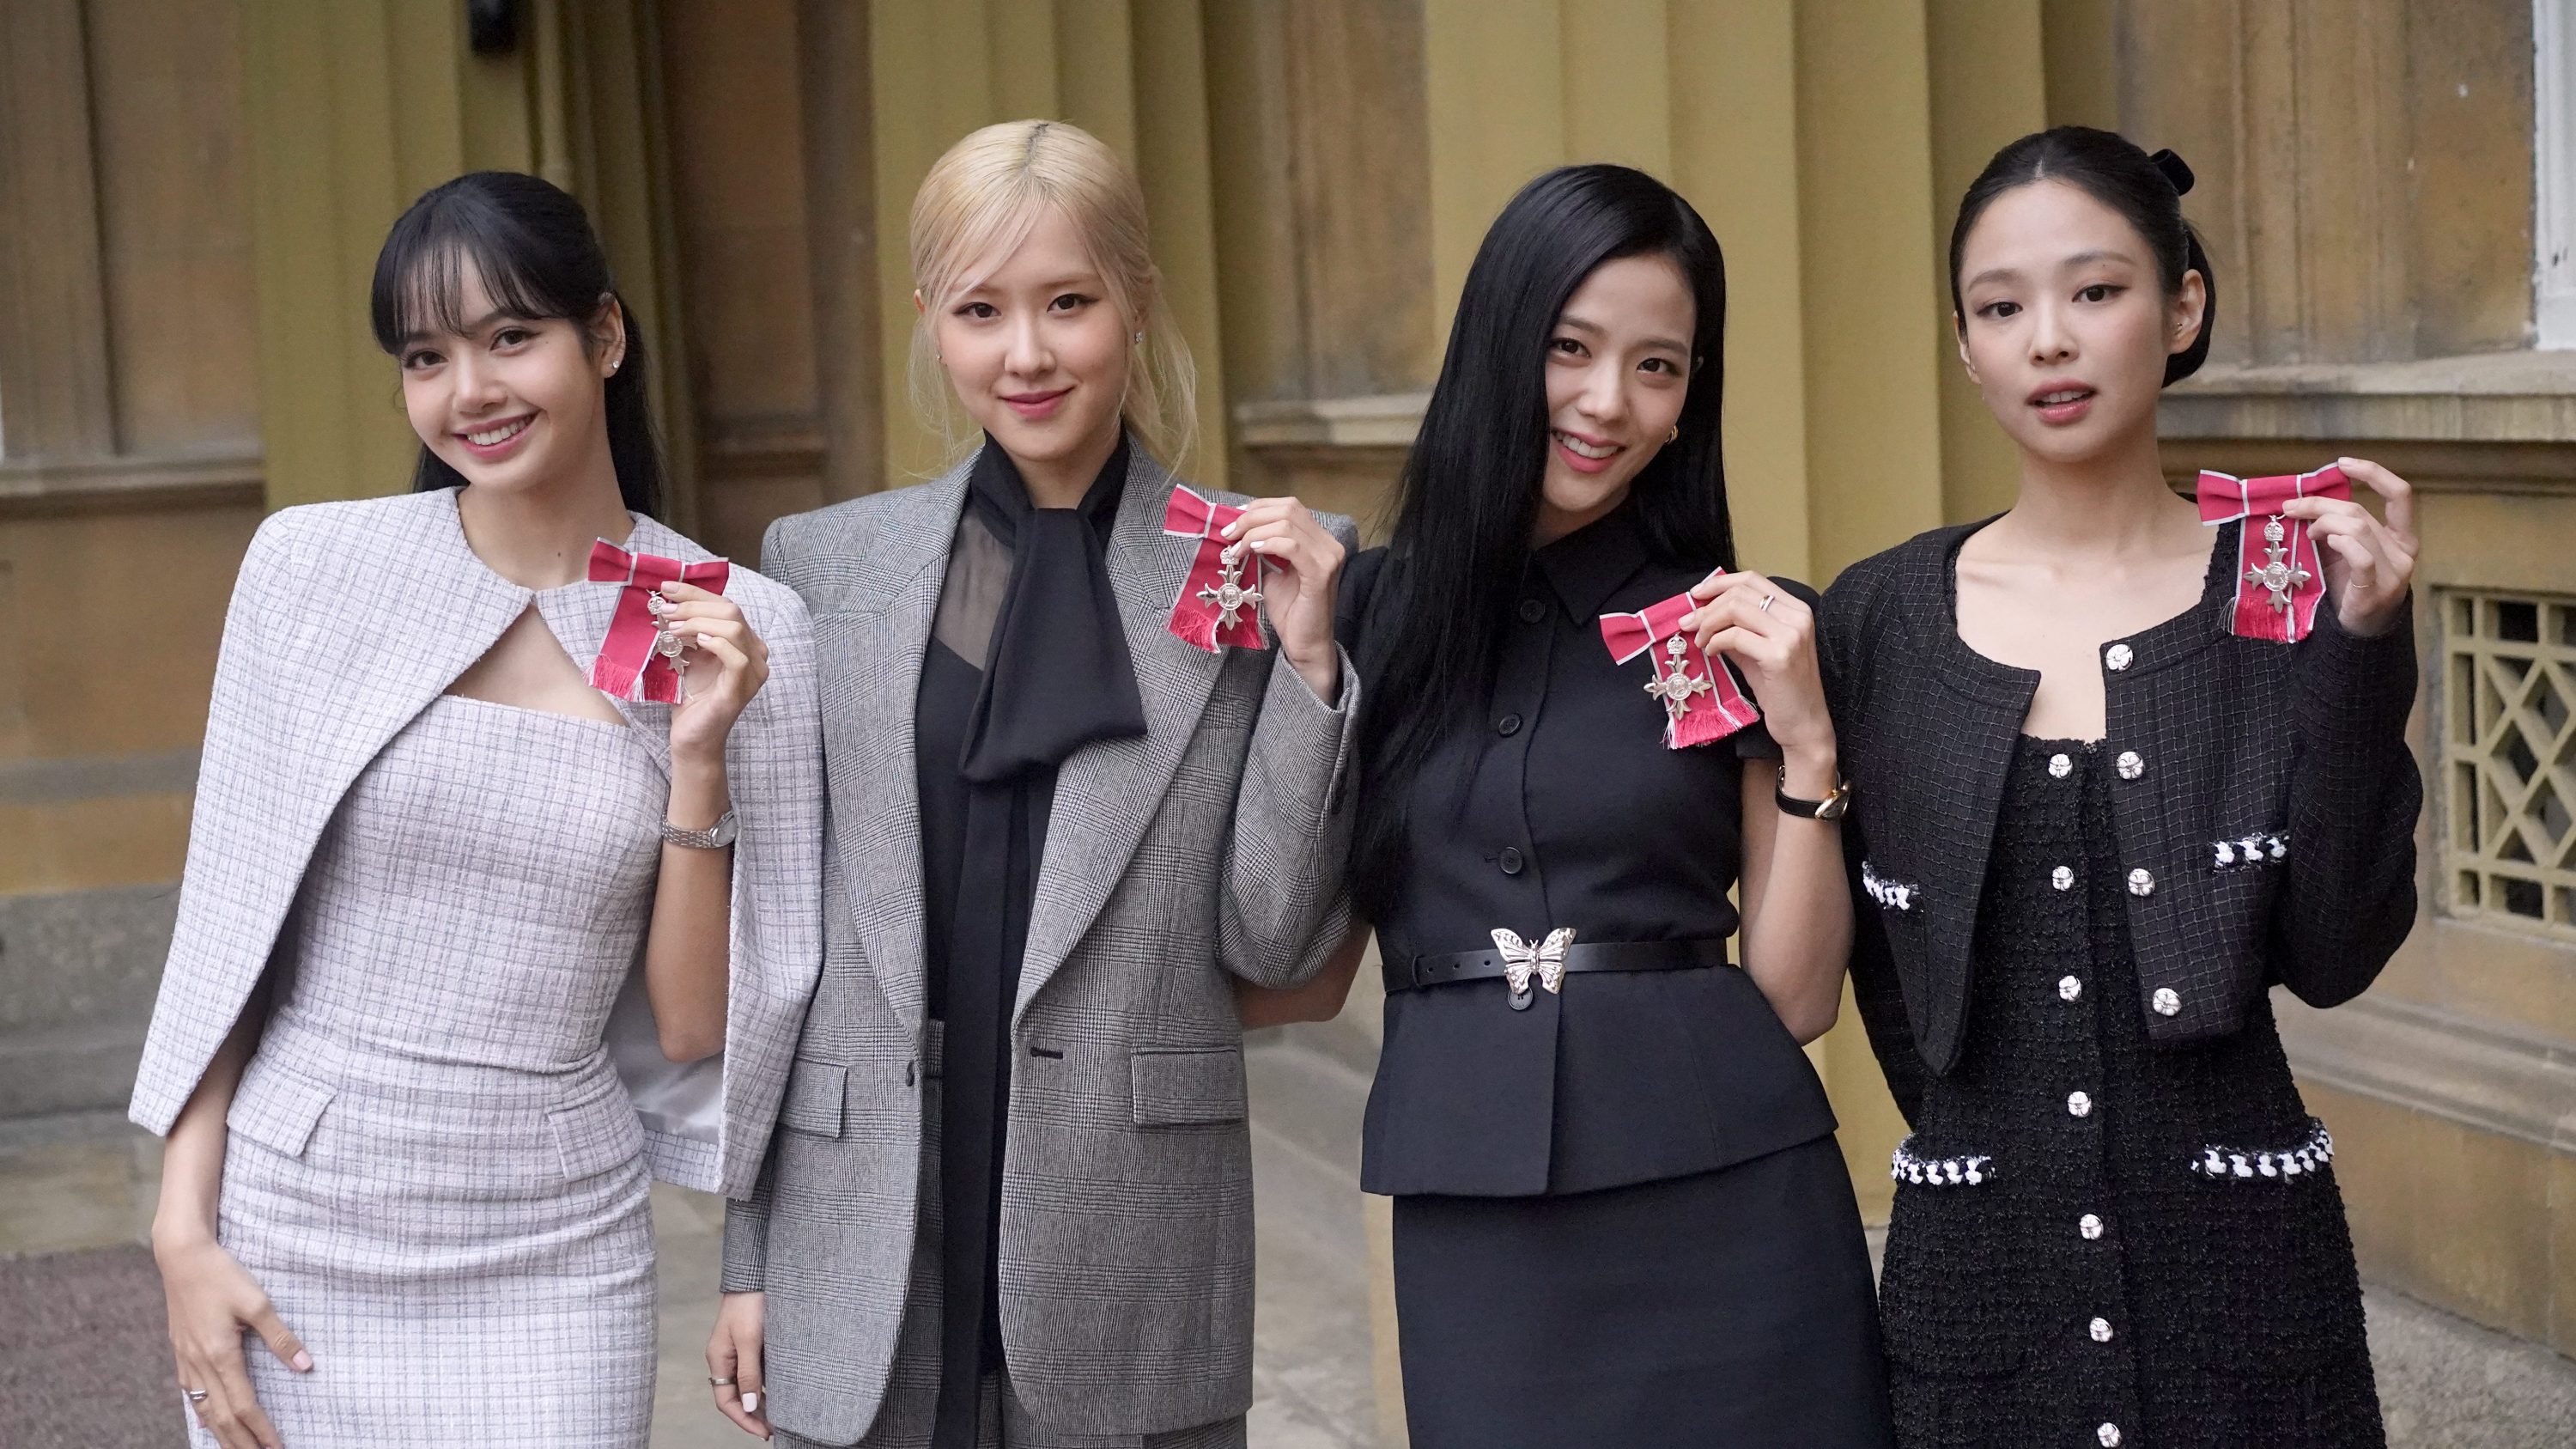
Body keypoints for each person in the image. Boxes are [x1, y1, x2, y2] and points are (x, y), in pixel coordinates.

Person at [131, 171, 823, 1448]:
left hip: (557, 1246)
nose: (470, 391)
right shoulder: (312, 570)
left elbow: (693, 1025)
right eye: (426, 356)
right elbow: (230, 923)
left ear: (604, 337)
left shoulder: (738, 627)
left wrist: (700, 758)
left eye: (510, 337)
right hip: (297, 1222)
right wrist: (183, 1232)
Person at [705, 119, 1358, 1449]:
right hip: (867, 1216)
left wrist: (1310, 671)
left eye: (1069, 302)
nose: (1026, 354)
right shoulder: (827, 568)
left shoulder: (1263, 571)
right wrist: (748, 1253)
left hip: (1134, 1233)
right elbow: (784, 952)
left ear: (1137, 300)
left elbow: (1276, 942)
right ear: (929, 320)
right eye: (980, 311)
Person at [1250, 163, 1894, 1447]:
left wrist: (1811, 743)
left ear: (1689, 400)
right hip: (1475, 1210)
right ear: (1501, 346)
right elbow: (1296, 957)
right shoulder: (1365, 614)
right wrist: (1311, 676)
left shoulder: (1734, 628)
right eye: (1571, 349)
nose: (1607, 402)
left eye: (1658, 368)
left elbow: (1796, 999)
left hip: (1736, 1203)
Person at [1824, 126, 2421, 1447]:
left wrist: (2366, 650)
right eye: (2001, 308)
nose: (2049, 340)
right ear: (1964, 344)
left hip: (2245, 1289)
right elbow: (1884, 977)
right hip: (1979, 1287)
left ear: (2182, 306)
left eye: (2095, 291)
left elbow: (2337, 953)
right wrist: (1988, 1147)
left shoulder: (2285, 595)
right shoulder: (1880, 619)